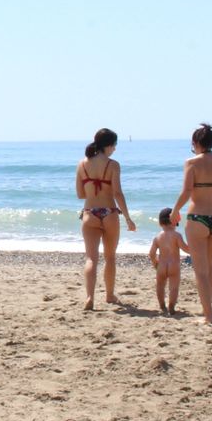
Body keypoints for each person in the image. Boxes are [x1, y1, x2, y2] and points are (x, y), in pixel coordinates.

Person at [173, 123, 212, 325]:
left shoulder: (191, 163)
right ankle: (208, 308)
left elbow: (187, 192)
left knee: (200, 269)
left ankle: (208, 315)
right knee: (209, 265)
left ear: (196, 142)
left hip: (197, 217)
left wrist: (175, 210)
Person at [75, 127, 136, 310]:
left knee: (91, 258)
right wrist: (127, 218)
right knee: (110, 258)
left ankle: (89, 297)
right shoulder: (113, 165)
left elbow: (80, 194)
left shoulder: (82, 165)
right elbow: (117, 193)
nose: (115, 149)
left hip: (89, 213)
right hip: (109, 213)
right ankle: (109, 295)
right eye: (114, 145)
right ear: (108, 145)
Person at [147, 208, 190, 315]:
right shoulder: (177, 235)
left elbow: (151, 253)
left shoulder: (157, 237)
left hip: (161, 265)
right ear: (175, 221)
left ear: (160, 222)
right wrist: (195, 248)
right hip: (174, 266)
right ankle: (171, 306)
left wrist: (155, 262)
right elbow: (185, 248)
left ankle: (162, 305)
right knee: (174, 288)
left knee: (160, 286)